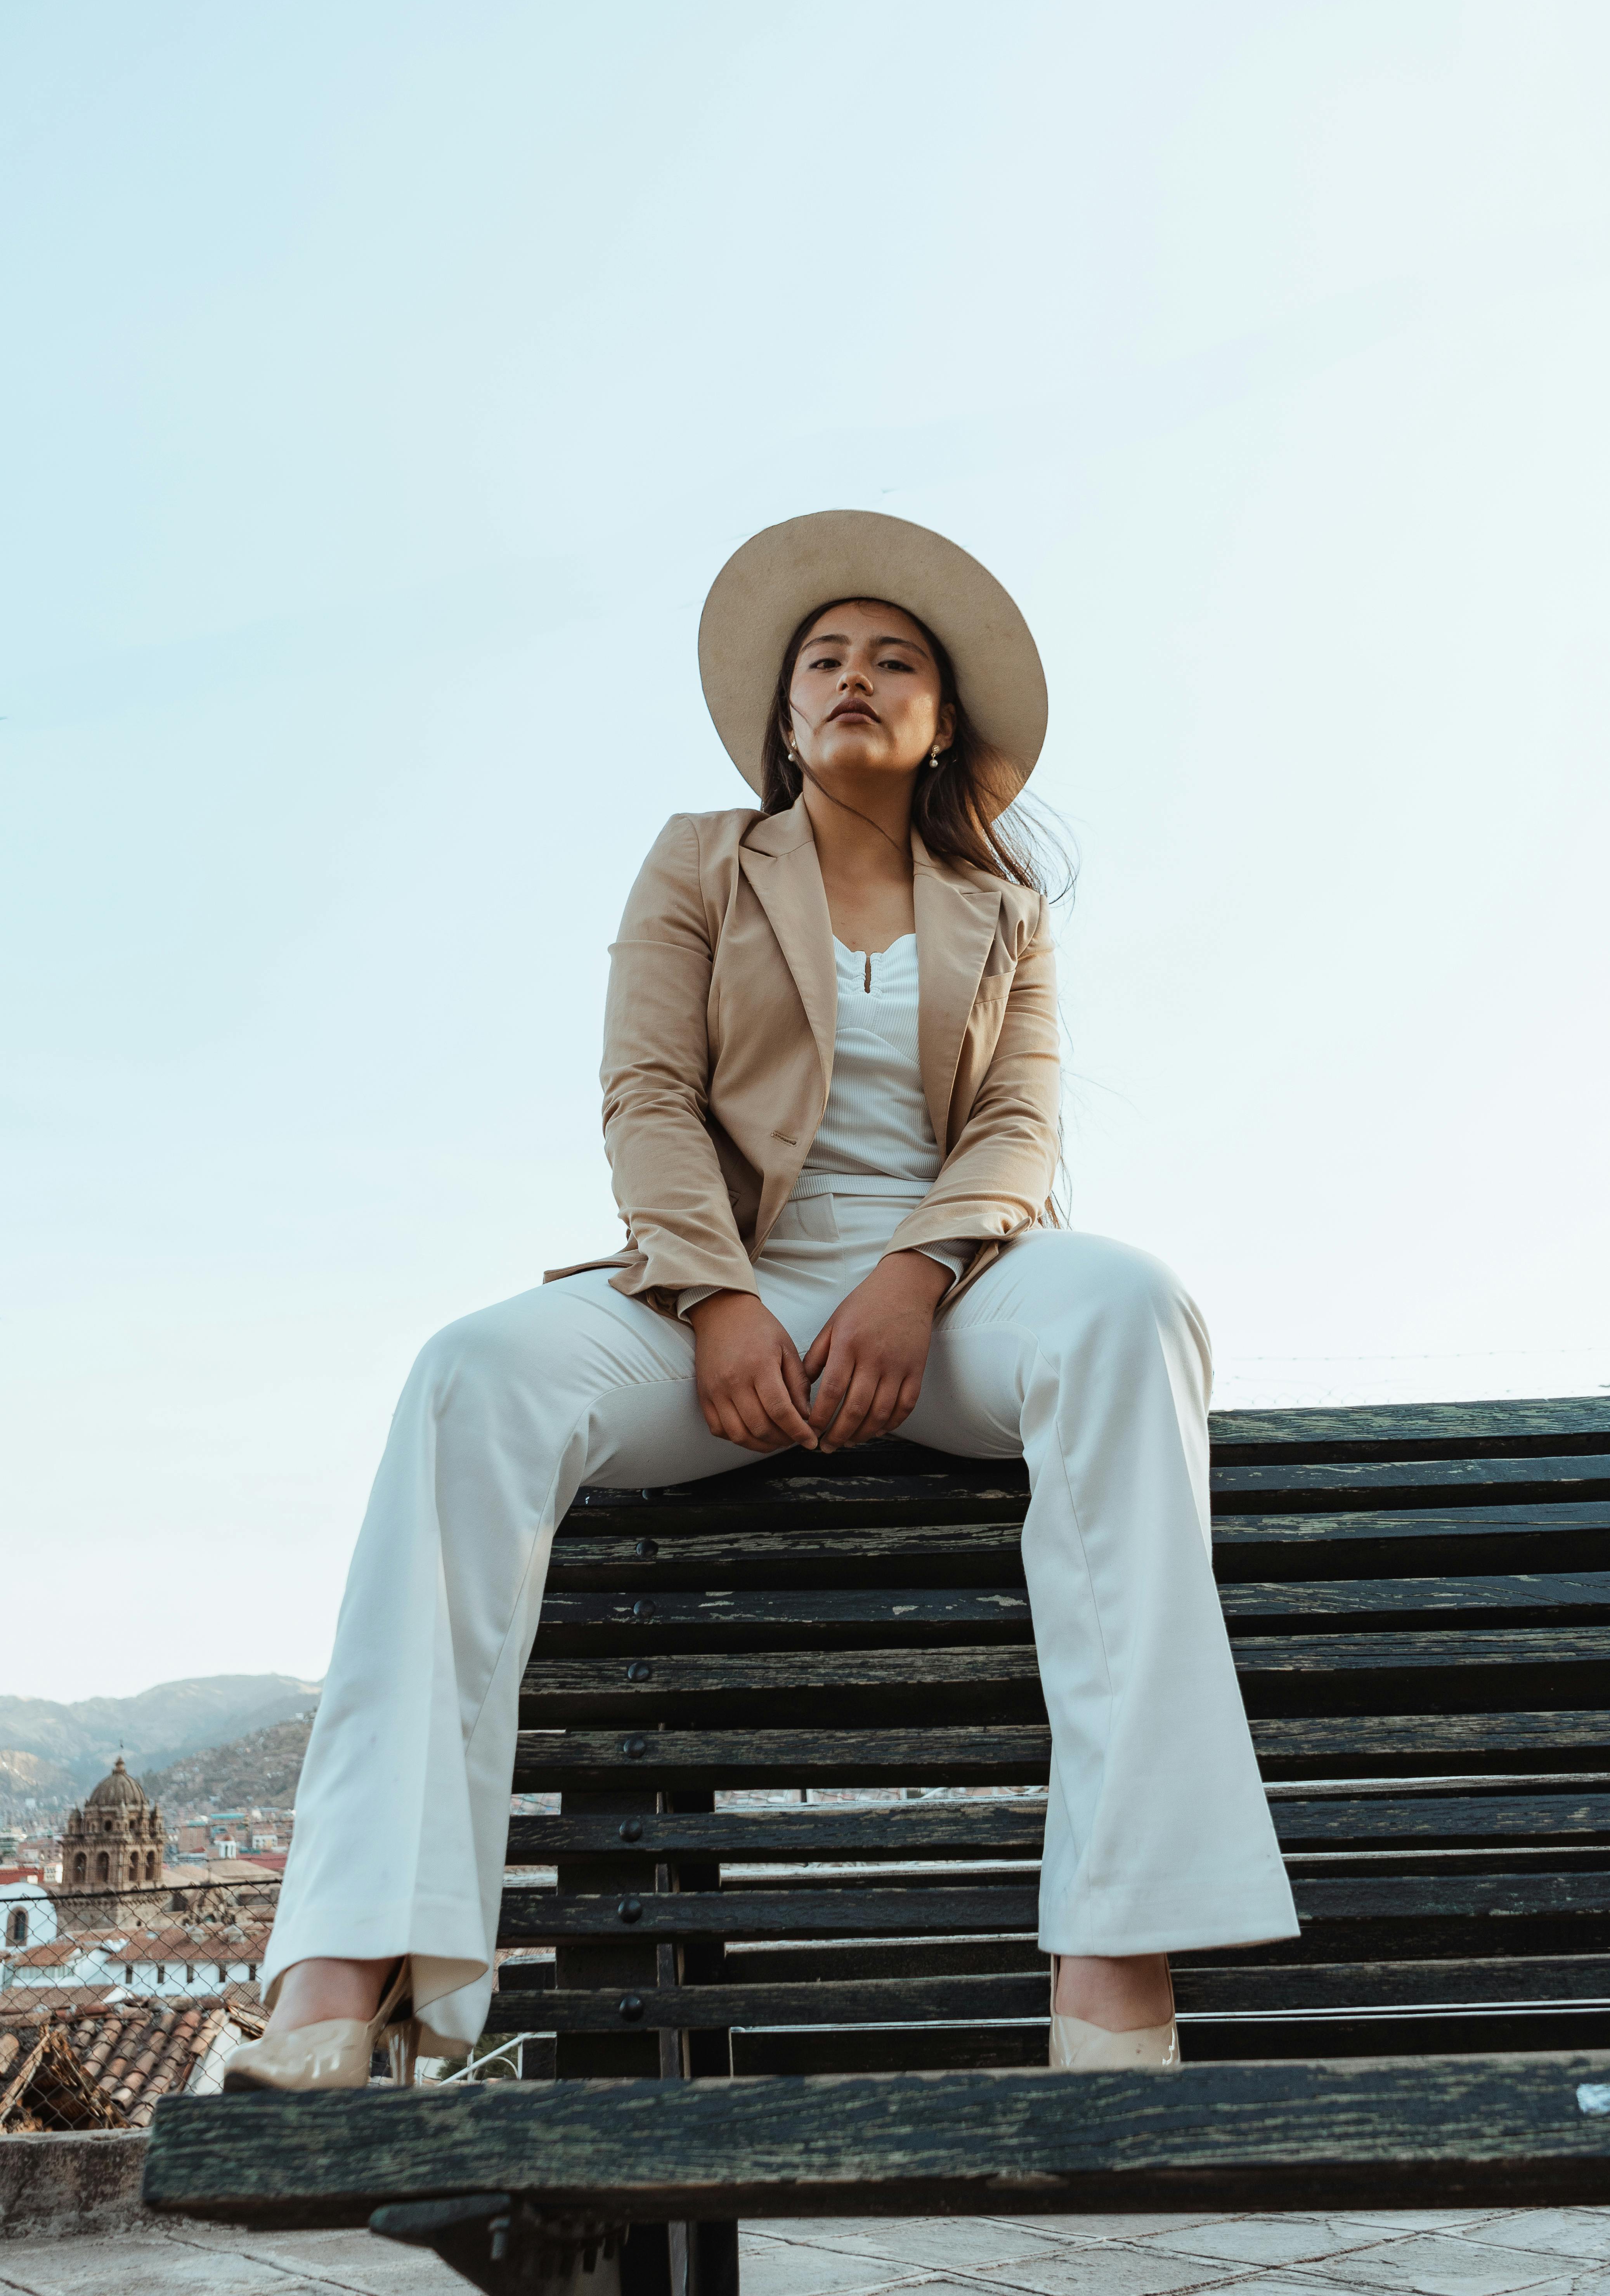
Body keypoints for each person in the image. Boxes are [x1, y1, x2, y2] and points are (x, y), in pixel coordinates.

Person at [228, 508, 1297, 2093]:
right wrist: (716, 1296)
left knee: (1135, 1307)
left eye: (897, 661)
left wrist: (921, 1271)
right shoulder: (697, 861)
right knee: (465, 1374)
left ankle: (1112, 1955)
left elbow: (1017, 1125)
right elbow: (647, 1098)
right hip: (712, 1275)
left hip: (948, 1288)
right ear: (784, 717)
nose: (855, 675)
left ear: (943, 725)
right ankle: (346, 1969)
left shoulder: (1006, 914)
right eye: (825, 659)